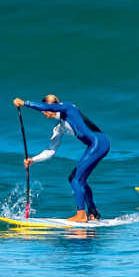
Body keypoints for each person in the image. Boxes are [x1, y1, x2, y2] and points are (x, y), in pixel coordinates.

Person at [13, 94, 109, 222]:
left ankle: (81, 215)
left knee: (74, 179)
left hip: (98, 143)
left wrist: (25, 103)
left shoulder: (68, 108)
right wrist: (33, 160)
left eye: (44, 111)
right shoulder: (59, 128)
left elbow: (48, 107)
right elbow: (50, 151)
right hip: (98, 145)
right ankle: (93, 213)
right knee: (80, 179)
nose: (45, 115)